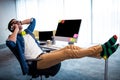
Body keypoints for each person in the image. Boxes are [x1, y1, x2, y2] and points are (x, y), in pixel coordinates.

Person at [6, 18, 119, 70]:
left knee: (70, 46)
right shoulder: (14, 38)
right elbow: (10, 43)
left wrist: (20, 22)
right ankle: (101, 48)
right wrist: (15, 29)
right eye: (13, 23)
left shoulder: (28, 32)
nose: (16, 23)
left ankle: (100, 55)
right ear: (12, 28)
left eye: (17, 21)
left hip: (43, 55)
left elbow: (33, 20)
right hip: (36, 62)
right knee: (67, 52)